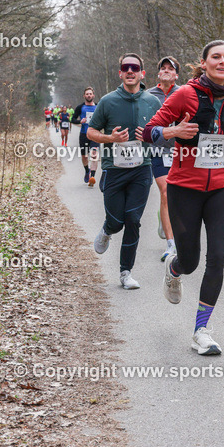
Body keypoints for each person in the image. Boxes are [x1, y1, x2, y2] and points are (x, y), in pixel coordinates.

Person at [142, 40, 224, 355]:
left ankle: (201, 330)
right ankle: (176, 268)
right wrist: (171, 133)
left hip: (221, 189)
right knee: (191, 261)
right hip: (185, 190)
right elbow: (148, 132)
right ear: (204, 63)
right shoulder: (185, 95)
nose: (223, 62)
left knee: (217, 258)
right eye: (216, 57)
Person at [87, 53, 162, 290]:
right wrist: (111, 138)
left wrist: (151, 135)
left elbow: (162, 132)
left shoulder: (153, 102)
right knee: (117, 221)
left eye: (135, 67)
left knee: (133, 220)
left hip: (142, 169)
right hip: (114, 170)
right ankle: (108, 230)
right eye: (125, 68)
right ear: (120, 73)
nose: (130, 71)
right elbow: (91, 132)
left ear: (142, 73)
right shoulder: (108, 101)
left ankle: (125, 273)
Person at [142, 56, 181, 261]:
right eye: (163, 68)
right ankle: (171, 244)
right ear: (158, 74)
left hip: (182, 151)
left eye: (170, 69)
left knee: (180, 196)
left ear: (176, 74)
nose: (166, 71)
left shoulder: (184, 93)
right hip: (157, 151)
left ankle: (164, 219)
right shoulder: (149, 95)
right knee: (166, 192)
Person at [71, 88, 99, 185]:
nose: (89, 95)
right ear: (84, 96)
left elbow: (105, 117)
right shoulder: (80, 107)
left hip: (95, 134)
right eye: (87, 94)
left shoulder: (98, 106)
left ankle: (92, 177)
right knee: (84, 156)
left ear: (93, 95)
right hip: (84, 134)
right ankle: (87, 171)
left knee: (94, 154)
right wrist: (80, 121)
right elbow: (72, 119)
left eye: (90, 94)